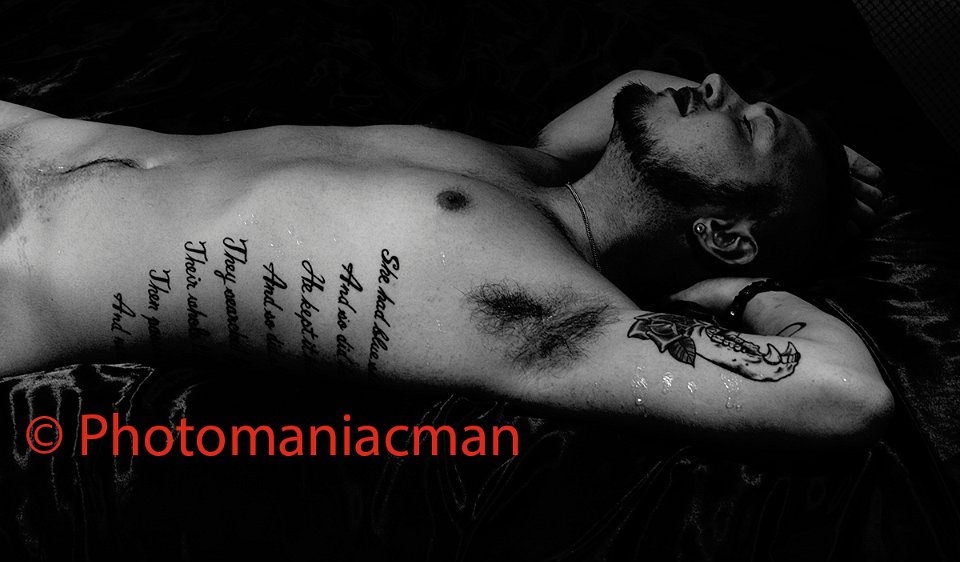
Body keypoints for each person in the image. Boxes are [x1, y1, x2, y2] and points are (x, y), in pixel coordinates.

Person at [0, 70, 893, 448]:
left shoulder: (551, 309)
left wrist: (741, 289)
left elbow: (845, 393)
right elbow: (642, 84)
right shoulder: (535, 167)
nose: (719, 86)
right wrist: (798, 161)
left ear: (727, 232)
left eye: (749, 123)